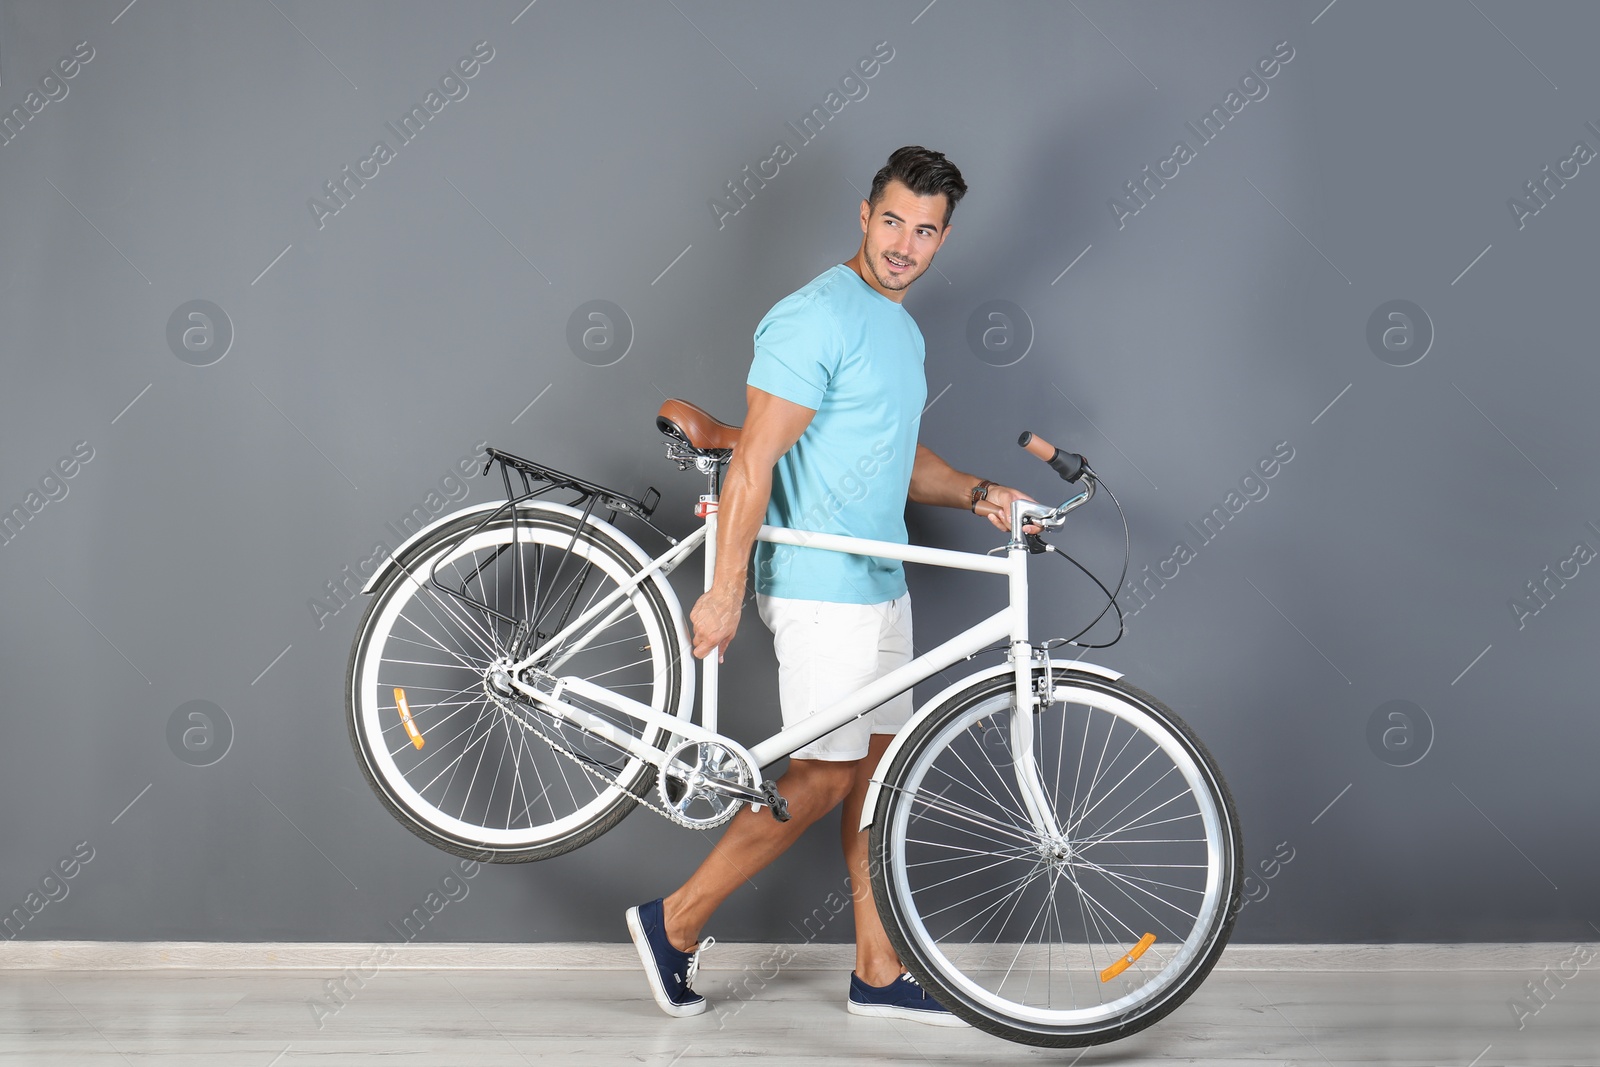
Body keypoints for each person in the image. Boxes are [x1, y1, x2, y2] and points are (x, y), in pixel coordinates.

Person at [627, 146, 1035, 1026]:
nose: (905, 243)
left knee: (880, 775)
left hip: (880, 579)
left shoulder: (901, 329)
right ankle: (675, 922)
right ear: (864, 214)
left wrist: (977, 492)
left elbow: (892, 458)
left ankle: (878, 970)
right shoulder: (814, 315)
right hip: (820, 584)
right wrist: (725, 589)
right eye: (893, 221)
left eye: (925, 231)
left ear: (942, 239)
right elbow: (755, 460)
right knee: (818, 776)